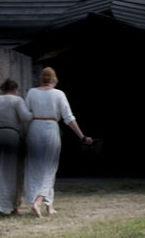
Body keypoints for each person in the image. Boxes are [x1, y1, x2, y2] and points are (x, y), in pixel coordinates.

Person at [24, 67, 93, 218]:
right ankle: (38, 201)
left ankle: (49, 206)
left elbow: (26, 115)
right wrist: (81, 137)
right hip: (50, 129)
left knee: (36, 167)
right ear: (54, 79)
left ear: (41, 79)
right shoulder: (59, 94)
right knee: (50, 167)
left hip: (34, 129)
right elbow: (69, 118)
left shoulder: (31, 92)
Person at [0, 78, 32, 218]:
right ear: (15, 90)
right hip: (10, 136)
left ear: (2, 90)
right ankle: (13, 207)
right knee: (12, 173)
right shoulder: (17, 100)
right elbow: (26, 117)